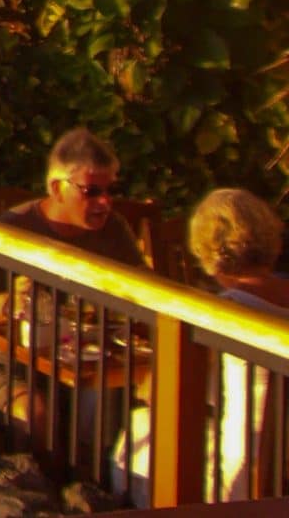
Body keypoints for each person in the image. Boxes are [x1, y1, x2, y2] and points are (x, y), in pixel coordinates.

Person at [0, 130, 149, 443]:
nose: (105, 202)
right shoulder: (11, 229)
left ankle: (92, 489)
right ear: (58, 188)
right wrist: (8, 303)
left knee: (120, 412)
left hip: (91, 362)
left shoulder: (114, 230)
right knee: (35, 415)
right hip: (11, 363)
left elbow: (147, 294)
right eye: (92, 191)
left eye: (111, 190)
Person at [114, 188, 289, 505]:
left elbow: (159, 390)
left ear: (207, 251)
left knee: (139, 427)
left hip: (240, 480)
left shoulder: (221, 314)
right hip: (281, 470)